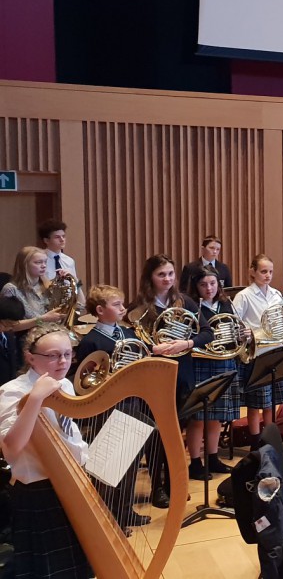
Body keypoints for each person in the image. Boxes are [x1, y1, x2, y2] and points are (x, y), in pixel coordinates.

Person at [0, 324, 93, 578]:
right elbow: (11, 448)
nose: (62, 361)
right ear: (30, 357)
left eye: (67, 353)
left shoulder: (65, 384)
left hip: (71, 480)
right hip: (38, 491)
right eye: (53, 355)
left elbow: (68, 432)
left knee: (77, 565)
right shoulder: (13, 391)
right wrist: (35, 399)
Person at [131, 253, 213, 509]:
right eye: (161, 275)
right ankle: (157, 487)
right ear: (150, 277)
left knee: (176, 432)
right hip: (154, 376)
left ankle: (174, 483)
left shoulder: (184, 301)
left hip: (181, 373)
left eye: (170, 274)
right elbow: (132, 341)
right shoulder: (139, 306)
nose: (167, 279)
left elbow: (207, 332)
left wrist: (186, 343)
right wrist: (152, 348)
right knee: (157, 434)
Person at [75, 285, 153, 526]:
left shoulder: (128, 334)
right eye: (116, 304)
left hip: (132, 400)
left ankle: (125, 510)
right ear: (100, 310)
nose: (123, 308)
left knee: (131, 461)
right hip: (107, 407)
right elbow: (85, 379)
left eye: (122, 303)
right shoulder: (91, 341)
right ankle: (108, 514)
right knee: (109, 463)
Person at [231, 255, 283, 440]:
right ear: (252, 272)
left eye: (270, 271)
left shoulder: (276, 294)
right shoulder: (244, 296)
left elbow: (282, 319)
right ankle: (255, 440)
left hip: (275, 351)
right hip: (256, 353)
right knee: (255, 403)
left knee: (271, 402)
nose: (268, 275)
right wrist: (244, 332)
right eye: (263, 271)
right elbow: (234, 323)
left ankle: (270, 437)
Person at [186, 270, 244, 479]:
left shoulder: (226, 304)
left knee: (217, 417)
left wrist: (242, 334)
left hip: (224, 361)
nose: (209, 288)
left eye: (212, 283)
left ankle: (213, 458)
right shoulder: (192, 307)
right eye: (203, 284)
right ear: (196, 287)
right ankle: (195, 462)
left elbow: (234, 328)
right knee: (198, 418)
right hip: (201, 362)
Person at [1, 247, 64, 338]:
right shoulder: (11, 289)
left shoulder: (48, 285)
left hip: (51, 334)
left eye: (45, 262)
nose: (43, 265)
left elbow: (79, 306)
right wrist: (42, 319)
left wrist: (73, 281)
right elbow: (8, 326)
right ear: (25, 265)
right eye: (38, 262)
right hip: (26, 340)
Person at [38, 220, 83, 308]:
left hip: (67, 305)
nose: (62, 240)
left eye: (63, 236)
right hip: (45, 304)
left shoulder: (69, 261)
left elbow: (74, 285)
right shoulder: (40, 259)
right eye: (57, 237)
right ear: (46, 240)